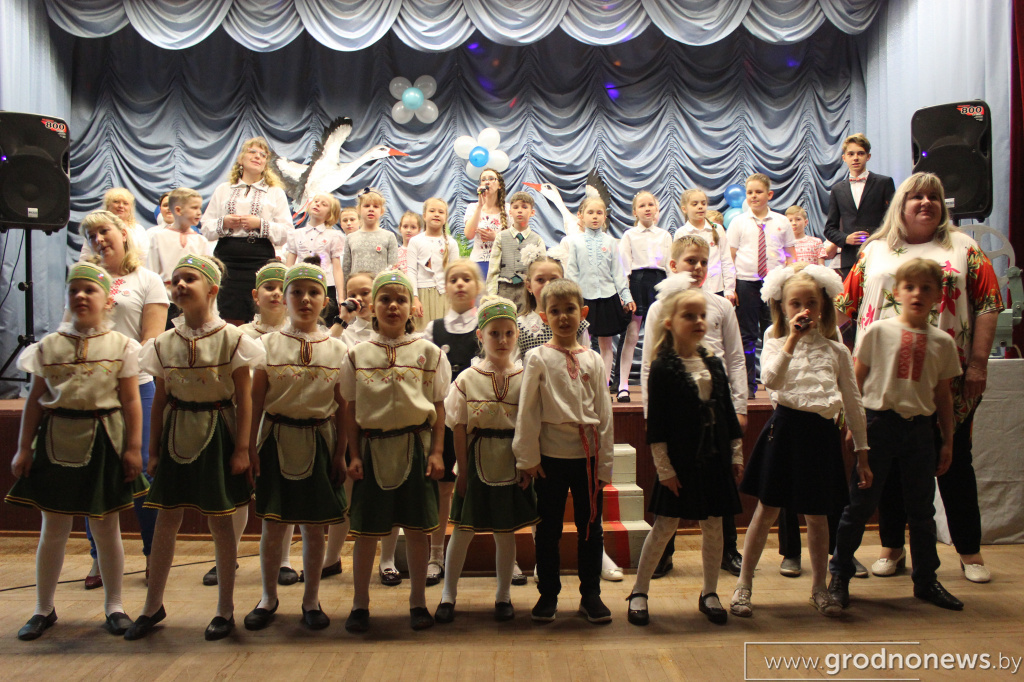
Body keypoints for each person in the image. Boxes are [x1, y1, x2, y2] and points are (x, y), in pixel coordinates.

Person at [836, 172, 1003, 584]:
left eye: (934, 196)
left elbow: (989, 303)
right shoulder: (874, 250)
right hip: (882, 382)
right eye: (917, 196)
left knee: (954, 461)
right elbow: (844, 305)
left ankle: (969, 551)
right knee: (888, 466)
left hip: (946, 378)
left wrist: (978, 364)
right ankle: (892, 547)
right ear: (901, 204)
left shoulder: (964, 248)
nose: (926, 202)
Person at [125, 255, 264, 642]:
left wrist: (242, 448)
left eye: (190, 278)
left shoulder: (233, 339)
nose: (181, 285)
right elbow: (161, 399)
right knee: (166, 519)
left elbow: (244, 398)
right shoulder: (164, 343)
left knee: (221, 522)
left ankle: (225, 609)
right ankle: (152, 605)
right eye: (176, 280)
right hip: (176, 434)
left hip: (217, 432)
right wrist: (154, 450)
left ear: (213, 289)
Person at [7, 262, 147, 641]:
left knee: (106, 527)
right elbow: (35, 401)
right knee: (53, 528)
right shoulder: (48, 347)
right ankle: (43, 608)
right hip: (57, 441)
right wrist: (24, 448)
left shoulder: (121, 346)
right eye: (74, 290)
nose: (81, 296)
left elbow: (131, 401)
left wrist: (133, 448)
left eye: (90, 290)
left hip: (104, 443)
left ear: (108, 301)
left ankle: (114, 605)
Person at [731, 263, 867, 618]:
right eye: (795, 303)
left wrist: (863, 452)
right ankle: (744, 585)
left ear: (822, 307)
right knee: (766, 510)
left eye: (811, 303)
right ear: (783, 307)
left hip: (821, 435)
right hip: (785, 431)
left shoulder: (836, 350)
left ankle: (819, 587)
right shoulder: (775, 340)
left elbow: (853, 402)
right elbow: (771, 381)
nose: (803, 309)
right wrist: (791, 340)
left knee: (818, 516)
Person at [828, 258, 964, 611]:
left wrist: (947, 441)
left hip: (919, 431)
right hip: (879, 425)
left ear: (938, 296)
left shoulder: (942, 342)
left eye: (926, 288)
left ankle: (926, 580)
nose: (917, 294)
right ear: (897, 292)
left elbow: (943, 395)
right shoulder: (878, 332)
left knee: (921, 510)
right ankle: (839, 574)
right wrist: (853, 425)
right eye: (910, 287)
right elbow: (855, 380)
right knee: (861, 504)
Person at [339, 269, 451, 633]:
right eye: (385, 299)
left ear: (412, 307)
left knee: (417, 531)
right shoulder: (357, 354)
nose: (392, 306)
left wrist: (437, 452)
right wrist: (354, 455)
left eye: (400, 300)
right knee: (366, 533)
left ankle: (418, 602)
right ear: (372, 306)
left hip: (415, 448)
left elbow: (439, 407)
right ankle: (360, 604)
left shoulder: (428, 353)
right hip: (373, 450)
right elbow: (351, 409)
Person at [627, 285, 743, 626]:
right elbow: (658, 426)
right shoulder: (663, 368)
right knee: (664, 526)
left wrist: (736, 454)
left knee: (714, 526)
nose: (698, 321)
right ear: (670, 323)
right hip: (680, 462)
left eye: (702, 315)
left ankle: (710, 592)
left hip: (714, 458)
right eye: (689, 315)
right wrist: (664, 469)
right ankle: (639, 591)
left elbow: (727, 414)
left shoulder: (714, 363)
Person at [244, 263, 350, 632]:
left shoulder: (338, 349)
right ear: (286, 299)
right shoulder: (266, 346)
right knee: (273, 525)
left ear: (325, 301)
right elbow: (256, 402)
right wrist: (249, 447)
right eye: (297, 292)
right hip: (276, 440)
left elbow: (343, 408)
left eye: (313, 293)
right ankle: (267, 597)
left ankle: (311, 599)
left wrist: (340, 453)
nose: (305, 299)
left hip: (319, 442)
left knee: (314, 527)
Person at [639, 237, 747, 579]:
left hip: (714, 407)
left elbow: (735, 359)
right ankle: (664, 555)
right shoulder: (659, 309)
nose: (698, 267)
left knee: (718, 489)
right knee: (672, 489)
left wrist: (740, 406)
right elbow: (649, 364)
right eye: (691, 261)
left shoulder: (722, 306)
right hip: (676, 412)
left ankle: (728, 550)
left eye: (703, 261)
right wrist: (650, 414)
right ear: (673, 266)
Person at [514, 278, 615, 624]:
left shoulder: (594, 359)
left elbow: (604, 414)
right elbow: (528, 411)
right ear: (544, 317)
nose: (563, 317)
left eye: (570, 309)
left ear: (583, 313)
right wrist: (528, 459)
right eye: (554, 311)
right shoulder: (537, 358)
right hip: (550, 460)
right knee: (548, 530)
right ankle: (548, 595)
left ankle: (591, 595)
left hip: (587, 459)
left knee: (591, 529)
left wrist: (604, 465)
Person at [77, 210, 168, 589]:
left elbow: (152, 338)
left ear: (124, 234)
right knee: (94, 468)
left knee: (144, 469)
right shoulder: (85, 280)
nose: (99, 239)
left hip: (138, 384)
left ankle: (152, 553)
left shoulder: (148, 280)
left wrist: (120, 364)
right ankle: (98, 557)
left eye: (104, 231)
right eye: (92, 235)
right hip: (93, 389)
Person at [434, 296, 538, 624]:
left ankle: (503, 596)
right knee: (463, 531)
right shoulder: (467, 378)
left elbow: (529, 426)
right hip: (476, 463)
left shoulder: (525, 377)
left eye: (509, 333)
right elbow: (458, 427)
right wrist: (463, 472)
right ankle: (448, 595)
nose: (502, 340)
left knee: (505, 533)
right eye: (494, 333)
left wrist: (525, 464)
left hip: (510, 462)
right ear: (481, 336)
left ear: (517, 334)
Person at [421, 259, 484, 586]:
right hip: (445, 422)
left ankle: (508, 556)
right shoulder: (433, 330)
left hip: (480, 420)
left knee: (487, 484)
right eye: (453, 279)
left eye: (466, 279)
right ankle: (435, 555)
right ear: (444, 287)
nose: (460, 284)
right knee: (443, 489)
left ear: (477, 286)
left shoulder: (485, 326)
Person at [201, 137, 293, 325]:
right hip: (227, 257)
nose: (258, 157)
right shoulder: (224, 189)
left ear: (266, 164)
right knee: (227, 309)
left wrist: (260, 224)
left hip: (259, 256)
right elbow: (206, 228)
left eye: (263, 155)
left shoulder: (275, 192)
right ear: (241, 158)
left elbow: (286, 233)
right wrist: (224, 222)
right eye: (252, 152)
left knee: (258, 309)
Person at [727, 173, 795, 398]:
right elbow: (730, 256)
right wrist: (731, 287)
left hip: (774, 285)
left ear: (769, 194)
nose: (754, 196)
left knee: (775, 332)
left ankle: (775, 382)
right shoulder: (738, 222)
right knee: (746, 336)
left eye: (758, 192)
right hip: (746, 283)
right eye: (750, 192)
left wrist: (787, 282)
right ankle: (748, 385)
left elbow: (790, 255)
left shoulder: (782, 222)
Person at [564, 196, 635, 395]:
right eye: (590, 212)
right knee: (581, 344)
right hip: (584, 299)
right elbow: (572, 273)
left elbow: (618, 273)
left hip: (607, 297)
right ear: (581, 216)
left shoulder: (610, 242)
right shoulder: (575, 242)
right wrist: (573, 300)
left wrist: (627, 297)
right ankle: (582, 386)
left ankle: (603, 386)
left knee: (606, 345)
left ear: (605, 217)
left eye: (599, 213)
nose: (595, 217)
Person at [617, 191, 672, 401]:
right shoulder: (629, 235)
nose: (647, 208)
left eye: (651, 205)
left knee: (660, 336)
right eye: (642, 205)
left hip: (660, 282)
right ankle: (623, 384)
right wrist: (626, 295)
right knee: (632, 335)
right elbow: (624, 267)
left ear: (657, 209)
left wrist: (671, 292)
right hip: (637, 283)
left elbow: (670, 266)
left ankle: (658, 384)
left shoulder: (665, 235)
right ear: (635, 212)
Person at [822, 133, 896, 280]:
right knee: (851, 296)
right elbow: (829, 229)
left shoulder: (884, 183)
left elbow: (894, 220)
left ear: (868, 156)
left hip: (879, 254)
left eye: (860, 153)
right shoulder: (837, 189)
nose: (855, 158)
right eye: (851, 154)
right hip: (849, 259)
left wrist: (875, 236)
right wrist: (846, 238)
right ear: (844, 158)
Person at [147, 188, 210, 325]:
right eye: (194, 208)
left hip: (192, 301)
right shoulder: (158, 237)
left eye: (200, 208)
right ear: (178, 210)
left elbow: (207, 276)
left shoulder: (201, 241)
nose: (199, 212)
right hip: (165, 301)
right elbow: (151, 272)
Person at [517, 252, 591, 355]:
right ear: (529, 286)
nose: (547, 284)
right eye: (540, 280)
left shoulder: (577, 322)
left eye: (554, 279)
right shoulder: (520, 326)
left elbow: (585, 357)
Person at [285, 193, 346, 309]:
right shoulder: (296, 234)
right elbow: (289, 265)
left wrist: (341, 297)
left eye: (324, 204)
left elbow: (337, 269)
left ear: (330, 214)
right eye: (316, 201)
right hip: (300, 283)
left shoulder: (334, 236)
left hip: (326, 286)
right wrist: (284, 289)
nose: (318, 204)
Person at [485, 191, 545, 308]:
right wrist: (491, 296)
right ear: (510, 212)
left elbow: (541, 270)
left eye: (524, 207)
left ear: (532, 212)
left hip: (527, 292)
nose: (520, 211)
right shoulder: (501, 237)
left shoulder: (537, 240)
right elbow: (493, 269)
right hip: (504, 290)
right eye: (516, 207)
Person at [675, 189, 736, 303]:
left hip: (717, 289)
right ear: (684, 209)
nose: (700, 207)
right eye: (695, 204)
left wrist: (729, 289)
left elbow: (726, 260)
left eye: (703, 203)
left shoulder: (717, 229)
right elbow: (678, 265)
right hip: (691, 290)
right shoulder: (681, 233)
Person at [408, 198, 459, 333]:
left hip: (444, 296)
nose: (436, 214)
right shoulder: (415, 241)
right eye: (432, 211)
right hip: (422, 295)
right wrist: (414, 298)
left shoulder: (451, 243)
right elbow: (411, 271)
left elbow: (455, 273)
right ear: (424, 215)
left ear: (446, 217)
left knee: (443, 333)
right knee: (422, 333)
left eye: (441, 212)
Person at [340, 188, 398, 288]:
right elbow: (346, 271)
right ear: (358, 209)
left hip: (380, 290)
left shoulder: (389, 236)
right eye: (366, 206)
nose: (371, 209)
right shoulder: (350, 238)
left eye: (375, 206)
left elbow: (393, 269)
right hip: (357, 291)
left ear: (382, 211)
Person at [82, 187, 151, 261]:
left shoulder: (139, 230)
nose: (121, 206)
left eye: (125, 203)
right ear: (108, 206)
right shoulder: (95, 230)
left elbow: (146, 258)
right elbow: (85, 258)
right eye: (116, 202)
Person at [464, 168, 510, 279]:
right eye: (483, 180)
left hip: (502, 262)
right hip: (478, 262)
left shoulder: (508, 209)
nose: (487, 182)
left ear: (499, 185)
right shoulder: (473, 207)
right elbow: (469, 235)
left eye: (491, 179)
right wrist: (480, 206)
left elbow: (514, 239)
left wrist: (496, 237)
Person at [397, 210, 423, 276]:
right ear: (400, 228)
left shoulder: (421, 252)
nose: (408, 230)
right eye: (405, 227)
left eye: (413, 227)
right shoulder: (396, 253)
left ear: (419, 230)